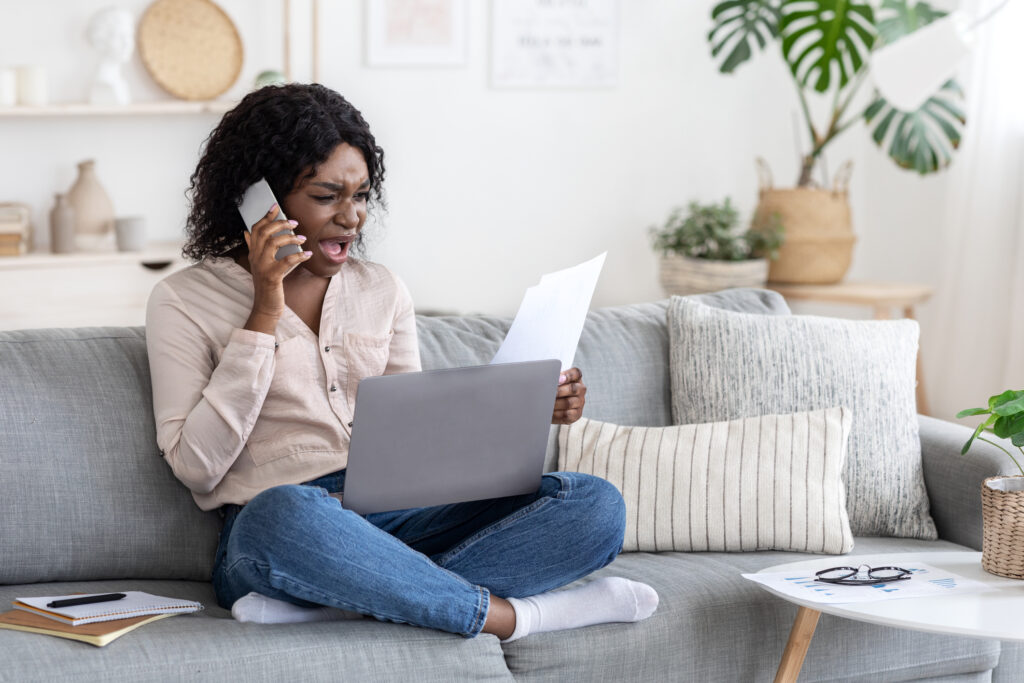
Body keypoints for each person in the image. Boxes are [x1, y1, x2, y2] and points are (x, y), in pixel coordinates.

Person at [145, 83, 658, 641]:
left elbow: (418, 449)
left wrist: (526, 411)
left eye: (361, 195)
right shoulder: (182, 301)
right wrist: (264, 310)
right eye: (326, 196)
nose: (352, 217)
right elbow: (196, 467)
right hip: (287, 530)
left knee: (593, 505)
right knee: (281, 515)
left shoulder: (382, 291)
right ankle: (517, 617)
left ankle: (351, 599)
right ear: (260, 201)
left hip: (402, 518)